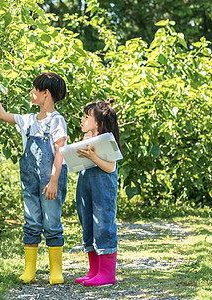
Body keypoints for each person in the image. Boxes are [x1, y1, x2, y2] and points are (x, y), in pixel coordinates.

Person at [0, 72, 68, 284]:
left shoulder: (57, 121)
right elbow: (2, 114)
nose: (31, 93)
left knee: (51, 222)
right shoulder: (28, 120)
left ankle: (55, 271)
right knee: (31, 222)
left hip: (51, 180)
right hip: (30, 180)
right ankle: (29, 270)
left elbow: (60, 152)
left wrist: (53, 181)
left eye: (34, 89)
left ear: (45, 93)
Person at [73, 99, 122, 287]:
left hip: (103, 189)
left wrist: (93, 156)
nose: (82, 120)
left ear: (99, 123)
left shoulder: (107, 141)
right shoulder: (87, 139)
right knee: (88, 225)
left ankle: (107, 274)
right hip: (86, 187)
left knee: (103, 226)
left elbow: (110, 167)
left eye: (86, 117)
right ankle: (94, 271)